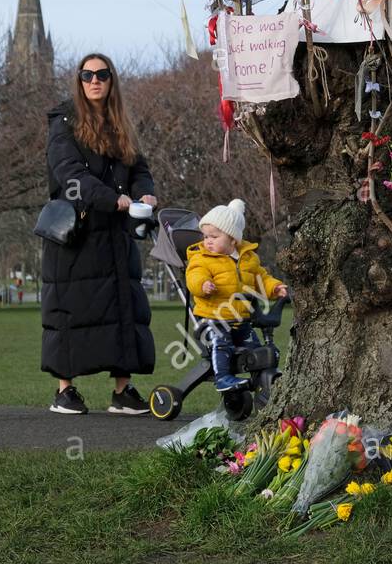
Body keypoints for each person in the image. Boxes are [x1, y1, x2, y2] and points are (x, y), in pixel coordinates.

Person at [41, 53, 158, 415]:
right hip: (75, 234)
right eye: (87, 74)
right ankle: (65, 391)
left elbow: (138, 166)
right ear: (78, 80)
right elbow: (70, 175)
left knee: (123, 307)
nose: (94, 80)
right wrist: (113, 199)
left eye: (102, 74)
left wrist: (145, 193)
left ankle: (123, 391)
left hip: (115, 234)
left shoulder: (121, 123)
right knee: (69, 310)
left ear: (111, 81)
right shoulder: (63, 123)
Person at [185, 199, 288, 394]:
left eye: (214, 236)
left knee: (254, 348)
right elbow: (194, 276)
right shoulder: (202, 258)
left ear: (233, 239)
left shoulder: (249, 259)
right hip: (213, 318)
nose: (208, 241)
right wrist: (202, 284)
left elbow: (261, 279)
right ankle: (222, 378)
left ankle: (260, 383)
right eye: (205, 236)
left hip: (241, 319)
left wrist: (274, 288)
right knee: (220, 342)